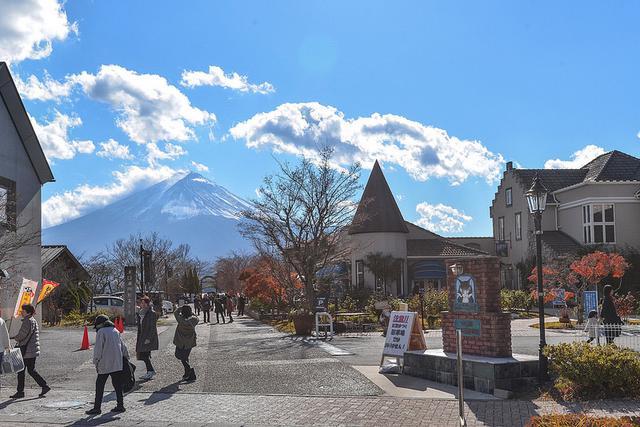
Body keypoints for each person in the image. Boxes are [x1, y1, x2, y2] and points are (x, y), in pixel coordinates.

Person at [86, 314, 129, 415]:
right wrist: (126, 357)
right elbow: (123, 347)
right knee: (117, 385)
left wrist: (96, 362)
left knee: (100, 385)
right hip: (117, 363)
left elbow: (98, 350)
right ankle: (120, 405)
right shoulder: (116, 331)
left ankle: (97, 408)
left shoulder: (101, 332)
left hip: (105, 363)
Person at [10, 304, 50, 399]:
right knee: (30, 370)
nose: (21, 312)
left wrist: (14, 337)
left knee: (21, 370)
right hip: (31, 350)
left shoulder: (27, 321)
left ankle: (21, 392)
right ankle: (44, 386)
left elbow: (22, 335)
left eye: (22, 311)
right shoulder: (32, 320)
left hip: (27, 350)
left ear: (27, 312)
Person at [136, 296, 159, 380]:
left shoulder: (151, 313)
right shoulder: (141, 312)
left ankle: (150, 371)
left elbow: (152, 327)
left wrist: (148, 338)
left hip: (148, 337)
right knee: (143, 354)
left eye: (143, 303)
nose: (141, 304)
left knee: (144, 355)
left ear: (147, 303)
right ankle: (150, 371)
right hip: (142, 336)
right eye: (141, 303)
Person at [173, 305, 198, 381]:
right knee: (185, 357)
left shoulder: (180, 320)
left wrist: (181, 308)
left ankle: (190, 371)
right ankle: (187, 373)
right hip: (189, 341)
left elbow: (175, 312)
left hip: (180, 341)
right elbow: (196, 316)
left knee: (178, 355)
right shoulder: (194, 320)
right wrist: (191, 313)